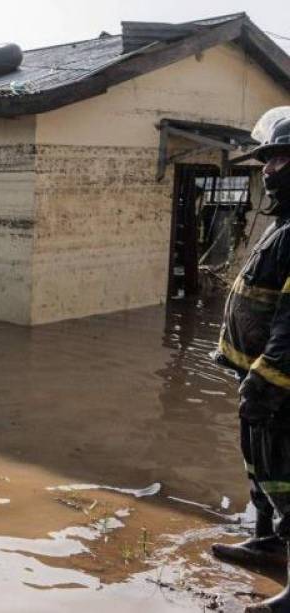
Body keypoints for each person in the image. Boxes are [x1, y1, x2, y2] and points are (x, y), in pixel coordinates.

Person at [211, 114, 290, 612]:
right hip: (256, 379)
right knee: (261, 470)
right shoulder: (282, 227)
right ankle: (268, 544)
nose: (271, 170)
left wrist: (268, 379)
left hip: (278, 386)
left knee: (288, 478)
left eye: (282, 160)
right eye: (270, 160)